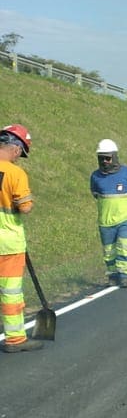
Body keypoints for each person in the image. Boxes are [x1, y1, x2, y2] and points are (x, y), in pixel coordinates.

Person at [0, 124, 41, 352]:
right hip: (8, 244)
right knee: (10, 293)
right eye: (21, 153)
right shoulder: (16, 173)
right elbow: (25, 207)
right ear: (16, 148)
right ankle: (15, 339)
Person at [89, 139, 127, 288]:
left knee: (124, 245)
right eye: (101, 158)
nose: (105, 161)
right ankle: (112, 274)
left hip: (126, 218)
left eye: (108, 158)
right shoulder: (95, 176)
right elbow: (95, 193)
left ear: (114, 157)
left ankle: (124, 275)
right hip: (105, 221)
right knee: (109, 250)